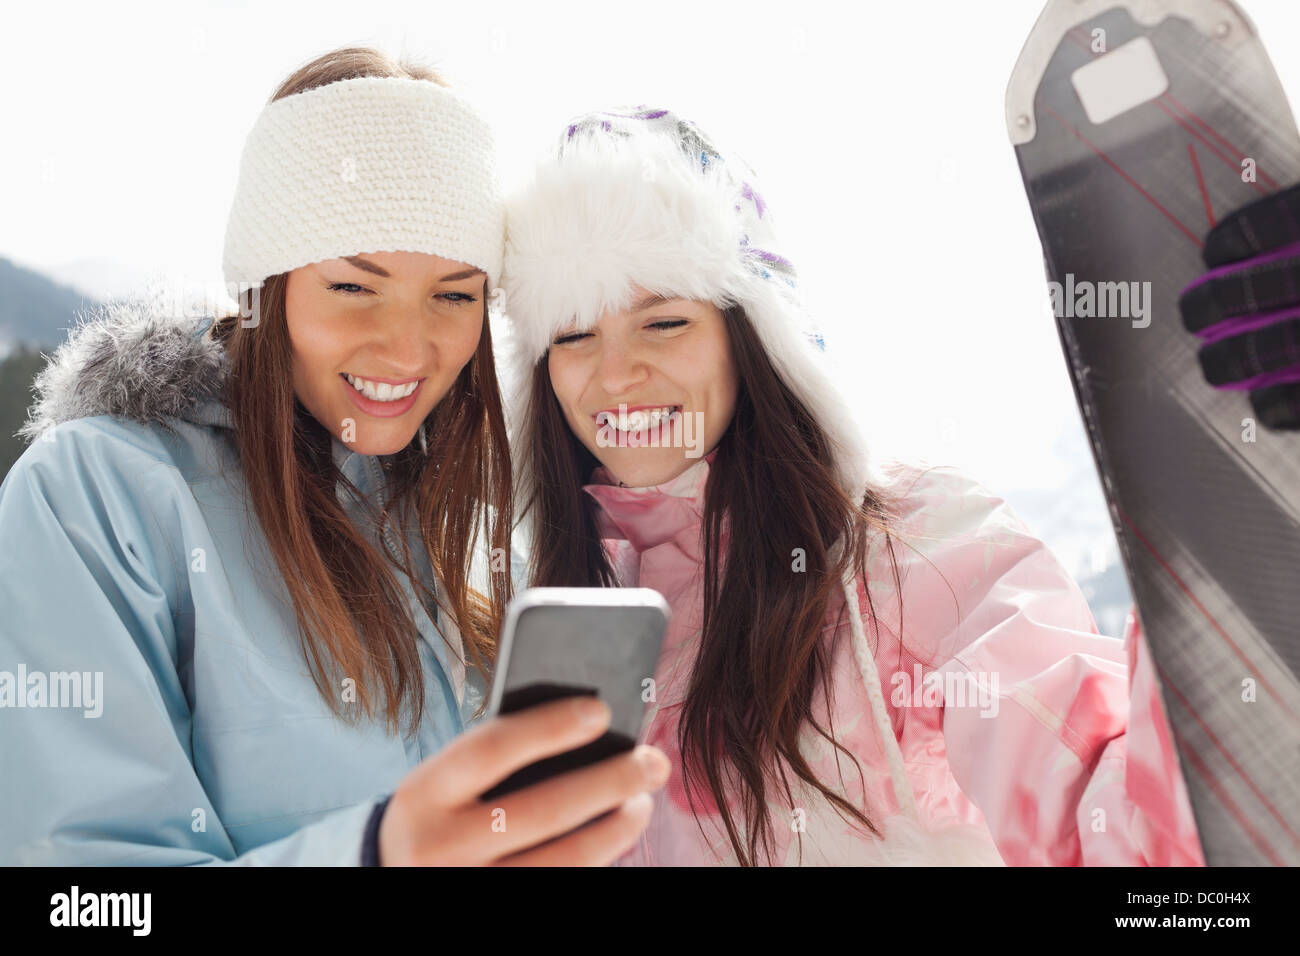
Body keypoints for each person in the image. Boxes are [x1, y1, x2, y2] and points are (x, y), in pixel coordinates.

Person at [0, 49, 668, 867]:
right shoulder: (99, 499)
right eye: (353, 286)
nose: (405, 347)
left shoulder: (482, 550)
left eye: (454, 296)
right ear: (264, 288)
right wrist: (374, 853)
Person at [499, 107, 1207, 866]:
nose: (614, 375)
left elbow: (1115, 821)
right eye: (573, 334)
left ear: (754, 338)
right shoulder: (539, 617)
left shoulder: (916, 550)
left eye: (664, 322)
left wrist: (1224, 591)